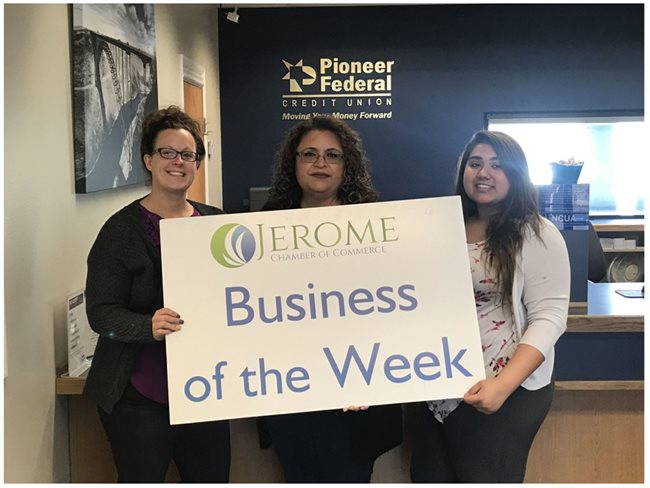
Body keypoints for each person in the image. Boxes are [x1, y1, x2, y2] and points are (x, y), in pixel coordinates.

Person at [410, 130, 570, 483]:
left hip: (504, 388)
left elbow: (550, 317)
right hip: (438, 386)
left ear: (516, 174)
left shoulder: (537, 233)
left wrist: (502, 385)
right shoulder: (442, 227)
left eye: (498, 165)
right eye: (475, 163)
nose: (484, 173)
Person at [83, 106, 231, 482]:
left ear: (197, 162)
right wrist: (146, 325)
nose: (178, 162)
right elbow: (101, 314)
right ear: (148, 160)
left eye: (187, 154)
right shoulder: (119, 232)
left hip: (206, 392)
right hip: (139, 398)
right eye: (167, 152)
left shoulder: (216, 223)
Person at [259, 115, 403, 482]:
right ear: (293, 162)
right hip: (289, 392)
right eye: (309, 154)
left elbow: (397, 307)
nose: (320, 163)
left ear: (346, 165)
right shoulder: (265, 224)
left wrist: (370, 376)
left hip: (357, 395)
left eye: (332, 155)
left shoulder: (375, 225)